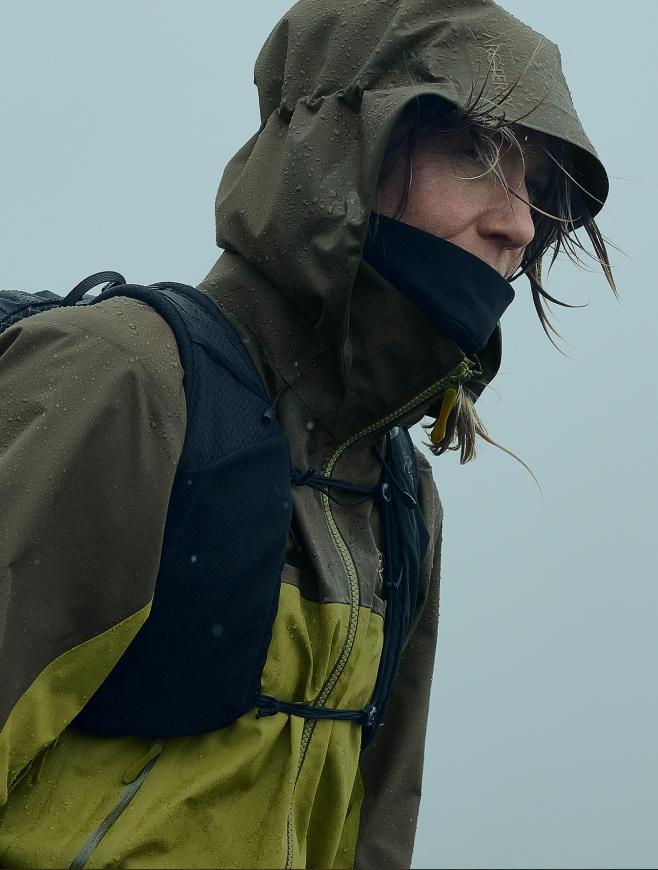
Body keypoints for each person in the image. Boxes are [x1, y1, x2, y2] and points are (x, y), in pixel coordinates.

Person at [0, 1, 615, 867]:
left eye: (540, 189)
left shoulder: (400, 496)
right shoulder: (127, 382)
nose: (517, 225)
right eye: (473, 153)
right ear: (340, 144)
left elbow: (373, 832)